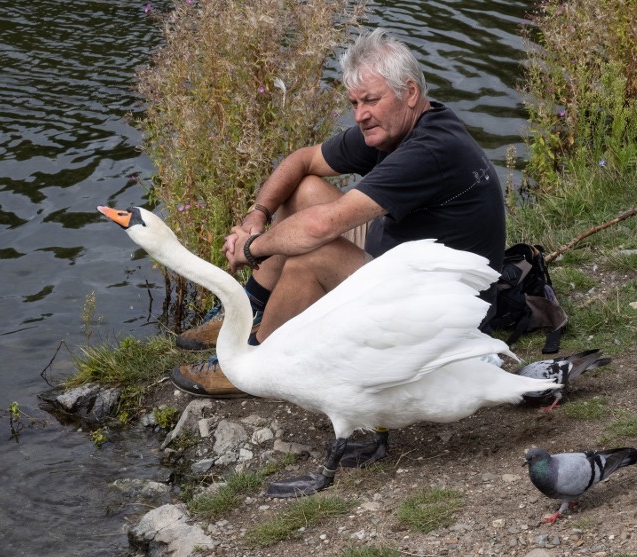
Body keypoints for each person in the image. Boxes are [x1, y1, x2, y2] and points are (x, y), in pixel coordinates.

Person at [170, 28, 506, 399]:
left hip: (444, 310)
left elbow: (321, 226)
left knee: (312, 253)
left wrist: (252, 248)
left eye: (371, 101)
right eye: (354, 103)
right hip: (400, 262)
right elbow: (302, 160)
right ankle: (252, 306)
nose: (361, 115)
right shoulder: (393, 127)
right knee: (305, 190)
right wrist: (257, 215)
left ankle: (249, 365)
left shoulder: (430, 150)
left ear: (409, 93)